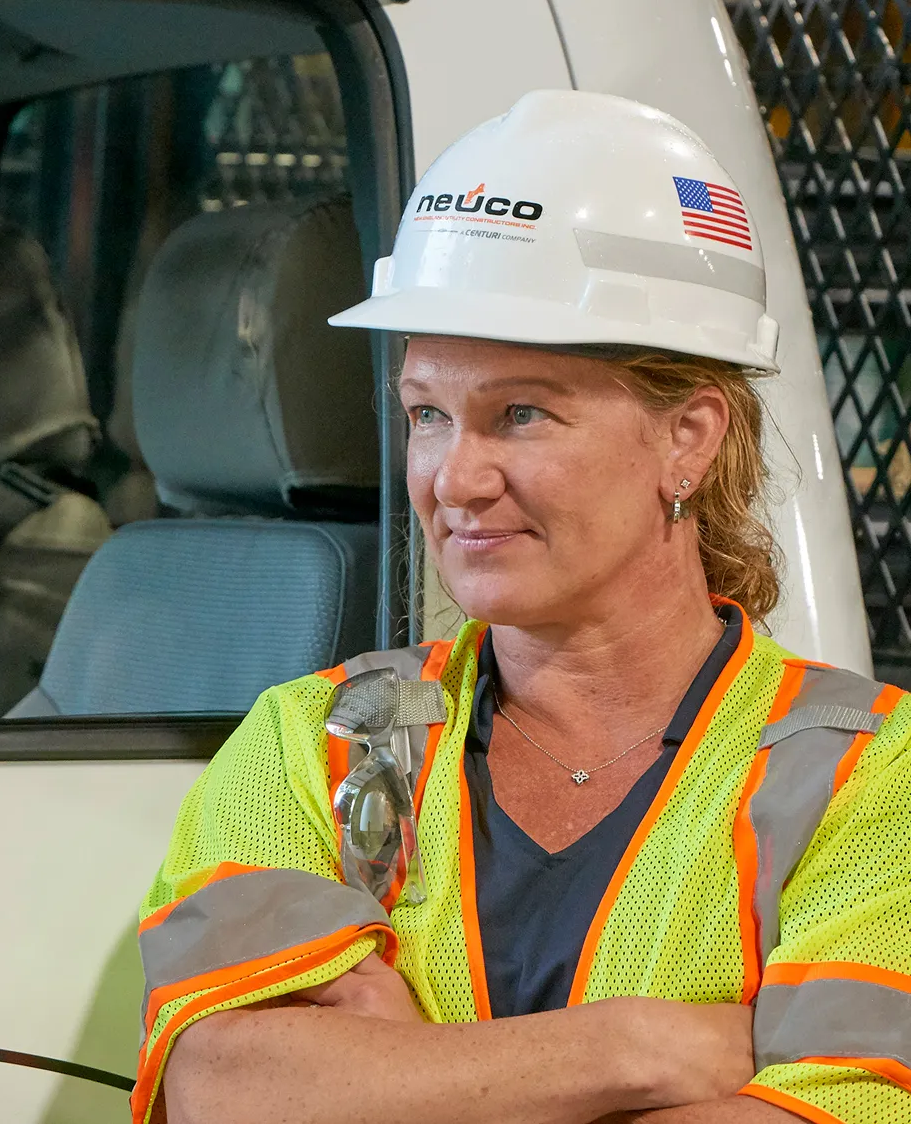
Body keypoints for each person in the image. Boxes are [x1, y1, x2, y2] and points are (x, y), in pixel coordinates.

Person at [134, 90, 911, 1124]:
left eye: (519, 413)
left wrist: (401, 1081)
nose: (451, 478)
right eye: (424, 414)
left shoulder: (867, 777)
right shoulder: (310, 742)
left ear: (686, 439)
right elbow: (227, 1091)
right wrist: (634, 1049)